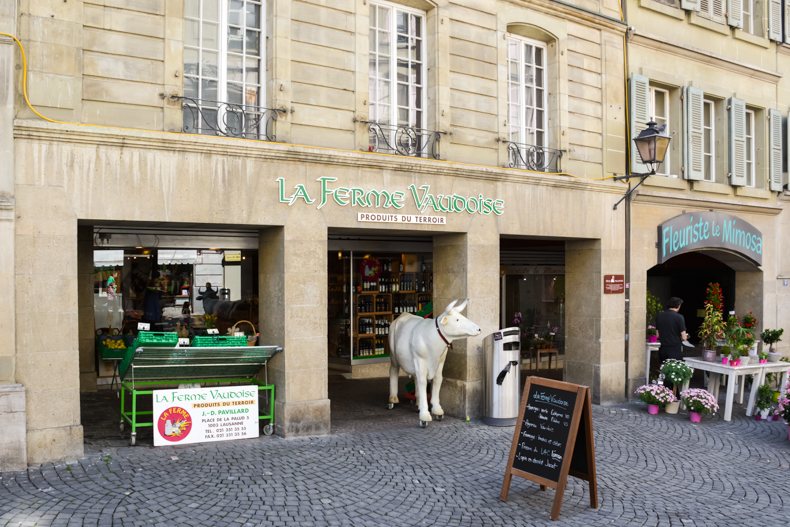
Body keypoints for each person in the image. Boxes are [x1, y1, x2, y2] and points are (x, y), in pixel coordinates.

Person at [656, 296, 689, 363]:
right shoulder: (679, 317)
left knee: (663, 369)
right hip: (674, 349)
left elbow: (657, 335)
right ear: (678, 306)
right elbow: (684, 337)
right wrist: (686, 336)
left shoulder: (659, 315)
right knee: (673, 370)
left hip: (662, 348)